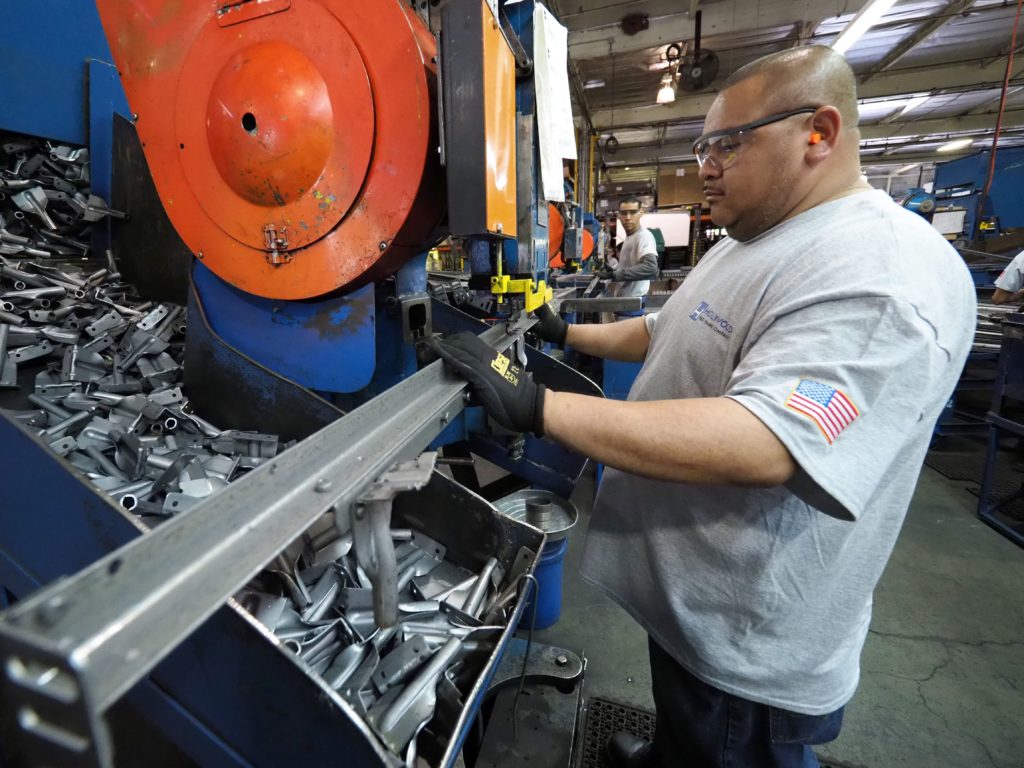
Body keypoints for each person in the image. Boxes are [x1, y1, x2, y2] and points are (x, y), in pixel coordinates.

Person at [434, 45, 975, 768]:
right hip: (695, 606)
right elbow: (668, 328)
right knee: (686, 725)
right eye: (701, 145)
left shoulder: (883, 270)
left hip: (749, 641)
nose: (705, 165)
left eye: (726, 143)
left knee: (723, 739)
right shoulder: (754, 236)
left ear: (818, 132)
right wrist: (566, 332)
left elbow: (769, 441)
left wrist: (538, 407)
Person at [601, 196, 659, 298]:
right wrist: (612, 271)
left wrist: (615, 275)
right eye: (624, 213)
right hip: (625, 301)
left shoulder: (643, 236)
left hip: (633, 302)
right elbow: (629, 268)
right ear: (618, 215)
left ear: (641, 212)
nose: (628, 217)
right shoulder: (630, 237)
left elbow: (650, 267)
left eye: (632, 212)